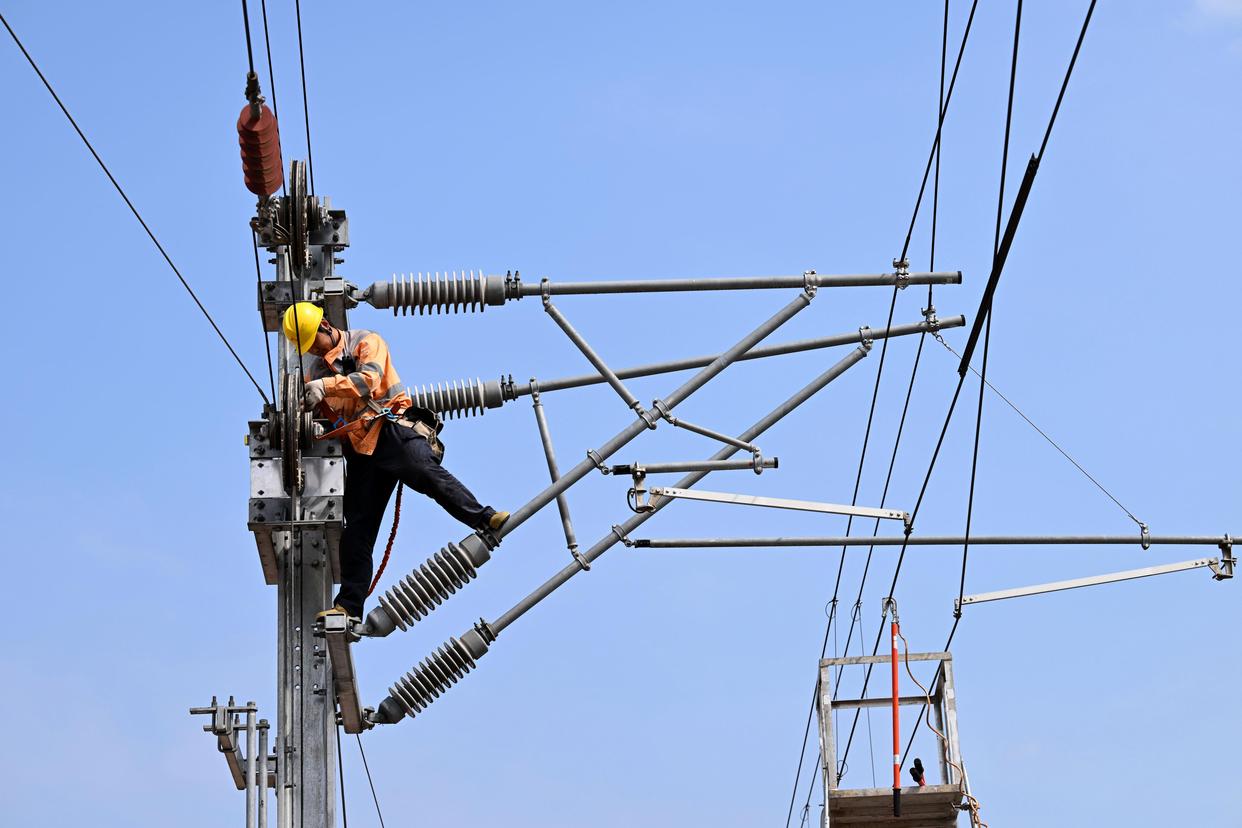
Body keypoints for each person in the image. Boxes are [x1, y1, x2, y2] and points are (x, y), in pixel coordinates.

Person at [280, 302, 508, 619]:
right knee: (357, 529)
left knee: (425, 472)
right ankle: (349, 607)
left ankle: (485, 518)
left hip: (390, 428)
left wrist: (323, 386)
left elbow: (368, 380)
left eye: (313, 343)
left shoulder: (365, 342)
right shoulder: (316, 372)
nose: (314, 352)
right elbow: (320, 414)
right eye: (307, 348)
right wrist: (305, 411)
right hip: (361, 452)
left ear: (326, 327)